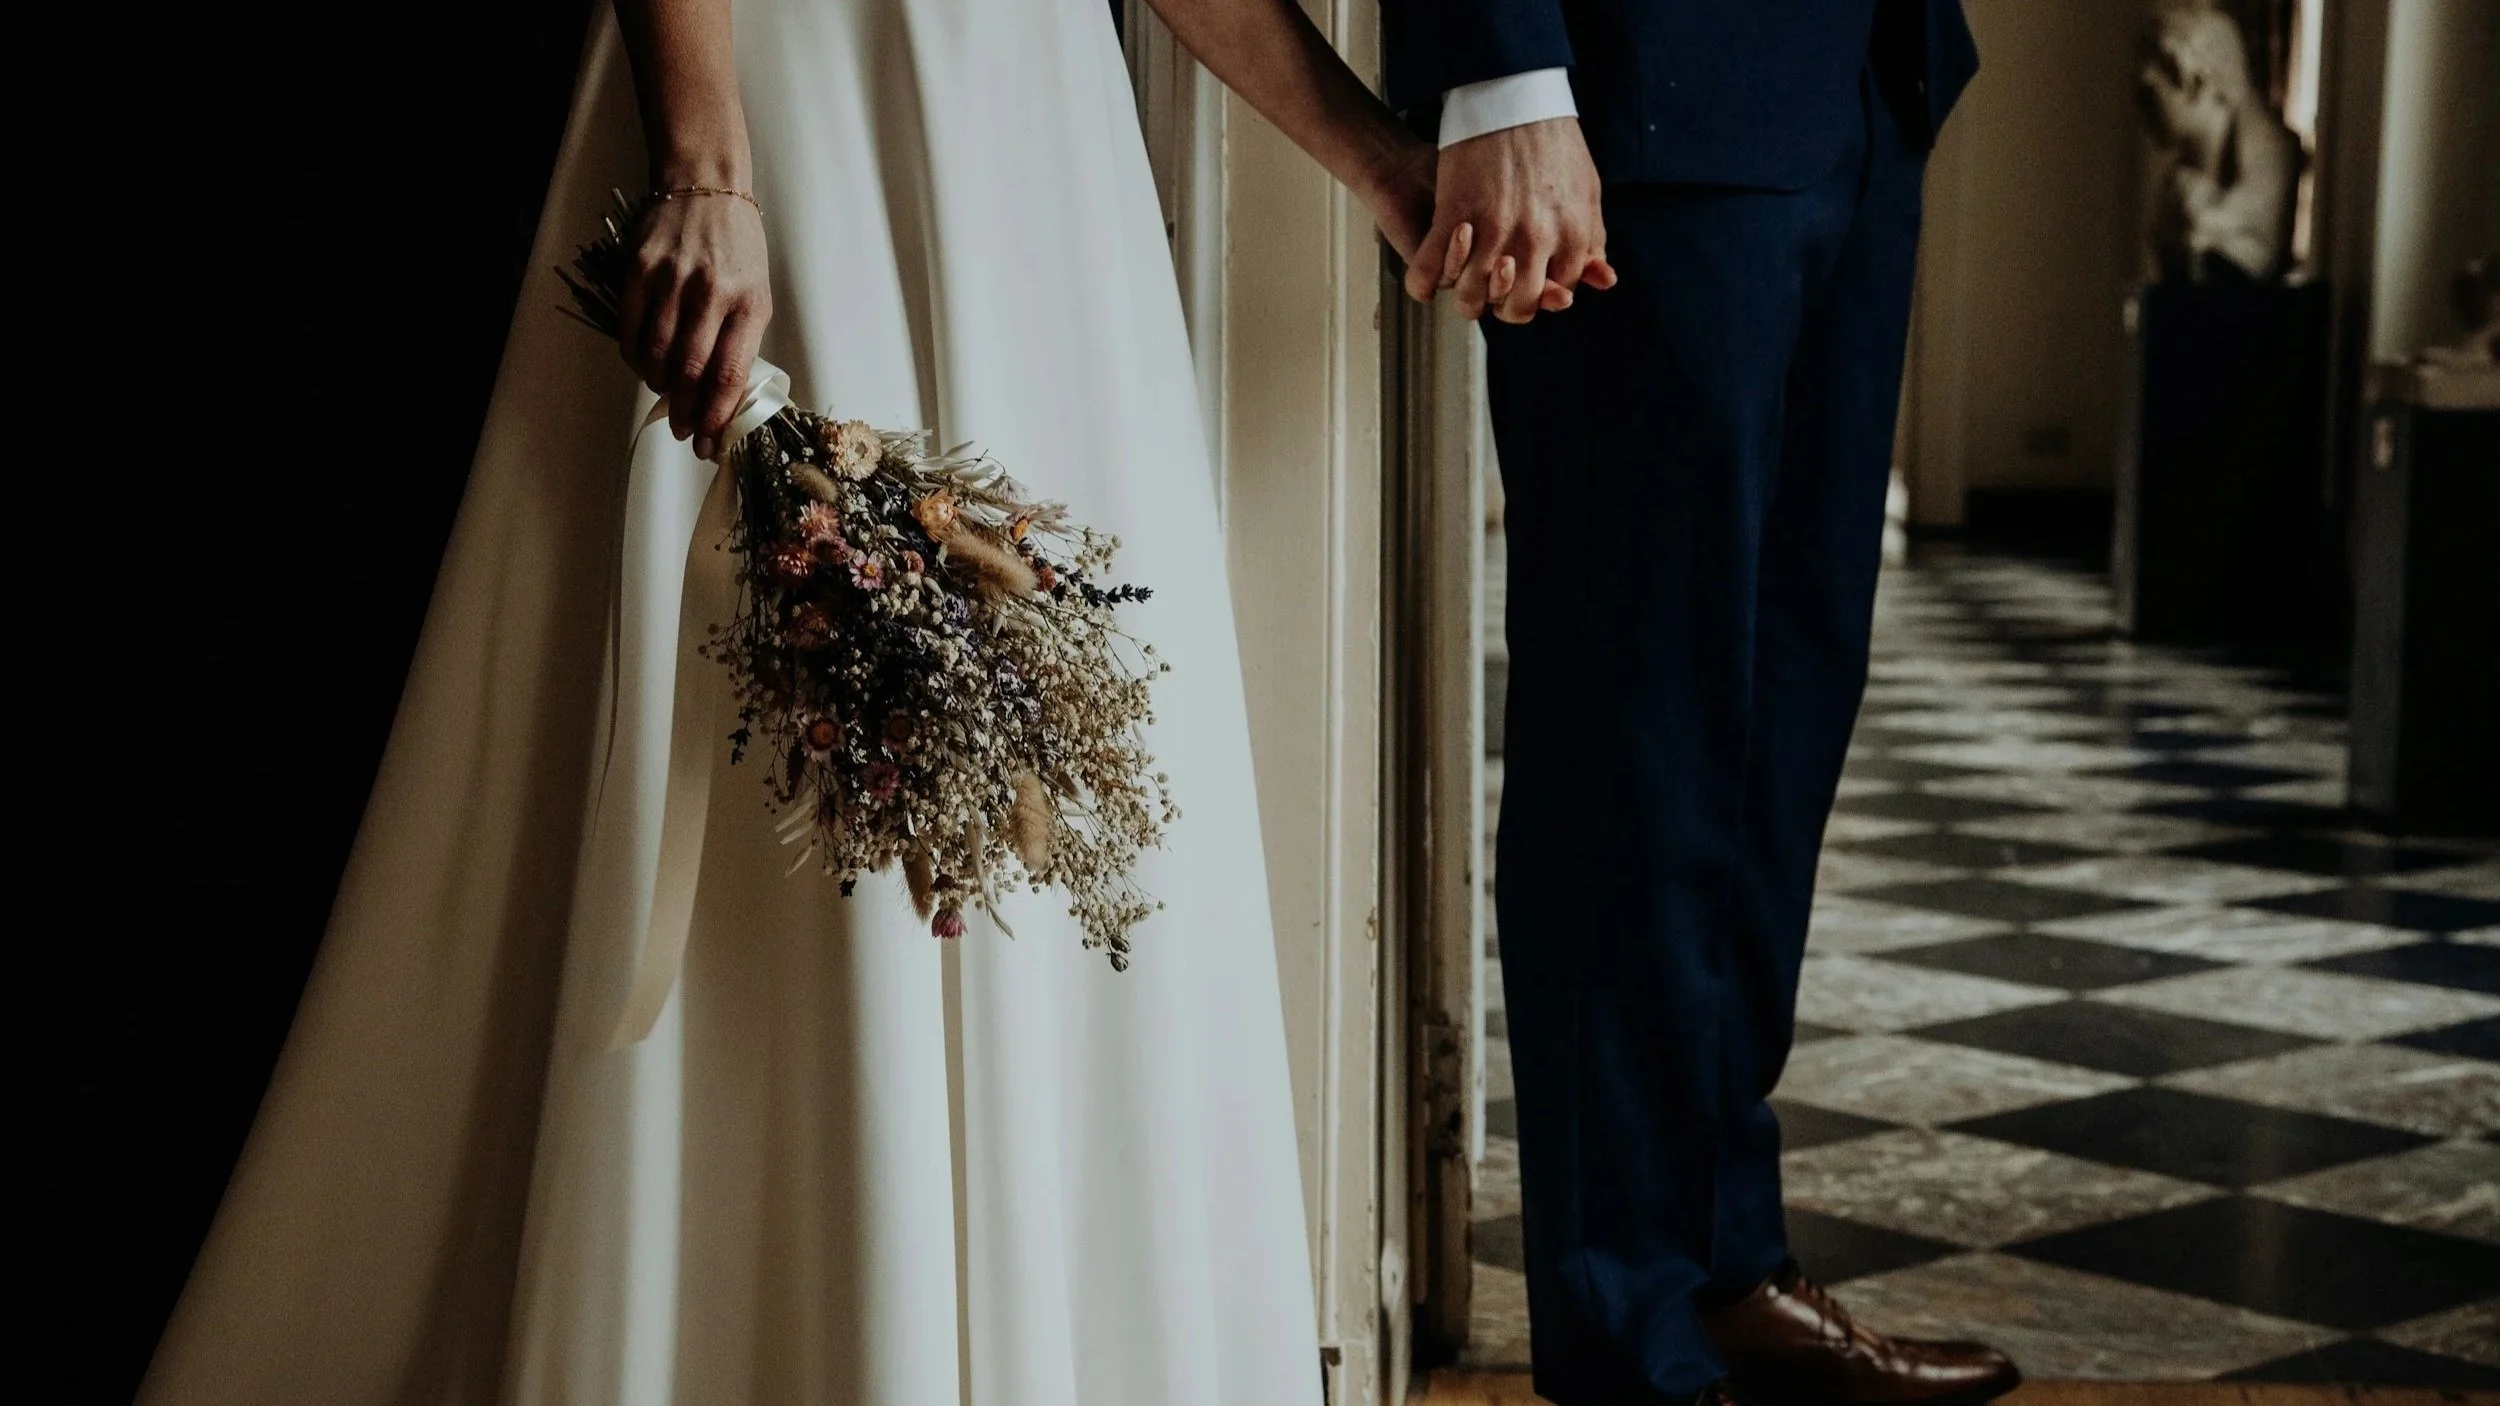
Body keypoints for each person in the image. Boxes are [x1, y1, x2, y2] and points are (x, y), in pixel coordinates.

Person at [140, 1, 1437, 1401]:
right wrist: (706, 161)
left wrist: (1372, 158)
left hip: (1033, 145)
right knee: (775, 800)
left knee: (1046, 766)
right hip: (794, 104)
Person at [1379, 2, 2023, 1404]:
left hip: (1865, 71)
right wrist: (1505, 57)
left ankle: (1724, 1265)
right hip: (1637, 86)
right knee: (1639, 735)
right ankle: (1630, 1338)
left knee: (1779, 730)